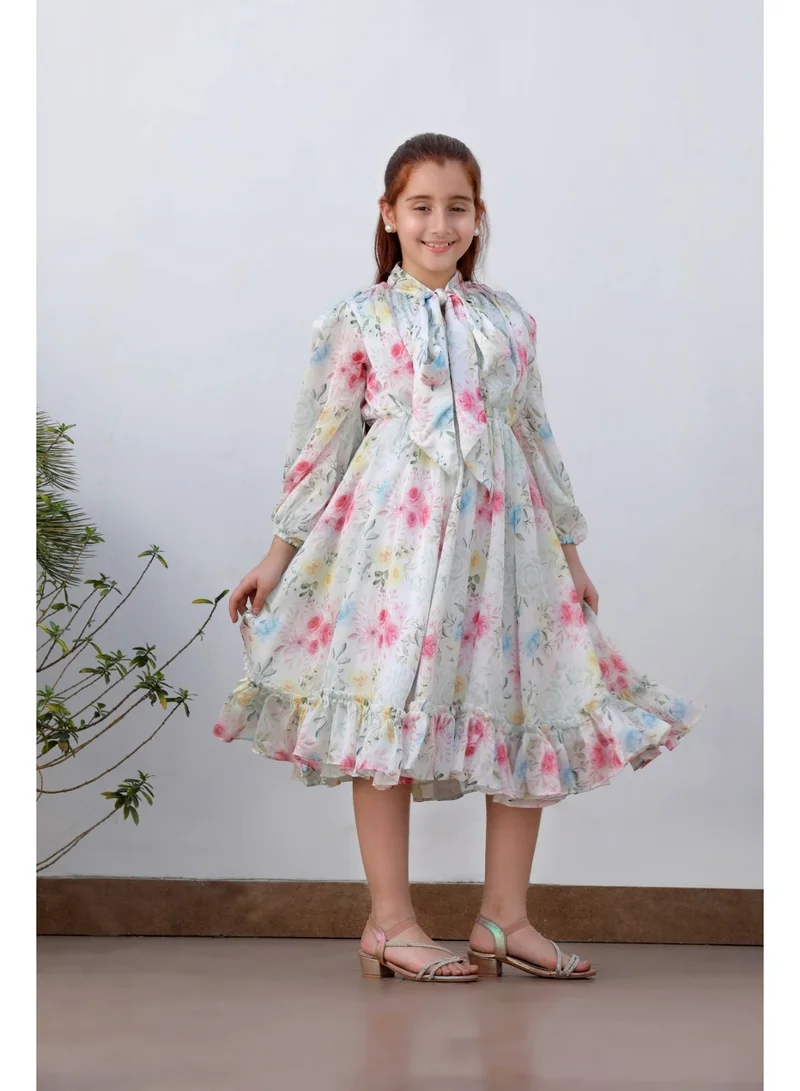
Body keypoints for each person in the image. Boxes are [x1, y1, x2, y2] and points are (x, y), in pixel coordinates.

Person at [214, 133, 702, 984]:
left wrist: (570, 553)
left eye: (457, 208)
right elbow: (323, 444)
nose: (439, 224)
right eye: (421, 207)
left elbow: (534, 434)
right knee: (386, 707)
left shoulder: (508, 319)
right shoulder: (358, 320)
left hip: (507, 546)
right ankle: (390, 922)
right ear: (388, 215)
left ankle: (504, 918)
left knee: (524, 703)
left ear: (479, 217)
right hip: (392, 549)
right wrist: (278, 554)